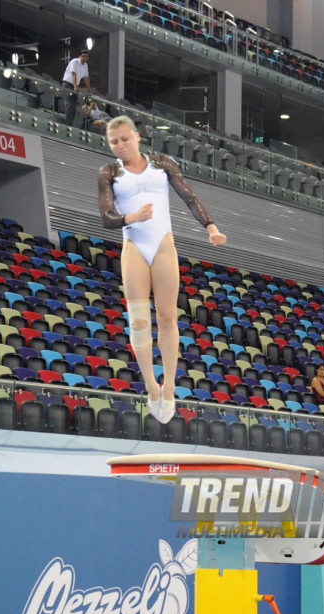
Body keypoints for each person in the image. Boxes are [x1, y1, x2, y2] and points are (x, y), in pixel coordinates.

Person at [98, 116, 226, 423]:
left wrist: (210, 226)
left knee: (168, 319)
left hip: (163, 246)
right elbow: (106, 216)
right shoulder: (109, 172)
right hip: (134, 248)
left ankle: (169, 386)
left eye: (125, 139)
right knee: (140, 322)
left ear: (137, 136)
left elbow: (188, 196)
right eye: (113, 141)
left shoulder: (162, 163)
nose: (120, 146)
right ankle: (150, 385)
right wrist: (133, 217)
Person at [62, 50, 91, 126]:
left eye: (86, 57)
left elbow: (86, 78)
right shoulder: (74, 61)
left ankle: (70, 123)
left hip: (75, 85)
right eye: (83, 56)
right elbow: (73, 74)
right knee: (70, 104)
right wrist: (75, 85)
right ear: (80, 56)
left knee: (74, 106)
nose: (85, 58)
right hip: (68, 83)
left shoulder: (85, 66)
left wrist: (89, 90)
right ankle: (67, 123)